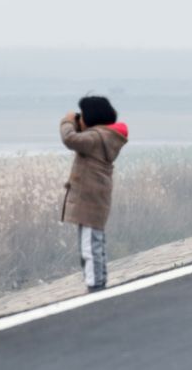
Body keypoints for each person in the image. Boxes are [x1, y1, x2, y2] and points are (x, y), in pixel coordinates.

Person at [60, 96, 129, 292]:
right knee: (93, 243)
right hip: (94, 199)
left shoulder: (95, 138)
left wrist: (67, 121)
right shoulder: (105, 136)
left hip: (90, 200)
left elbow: (70, 139)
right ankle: (98, 281)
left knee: (90, 246)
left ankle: (95, 286)